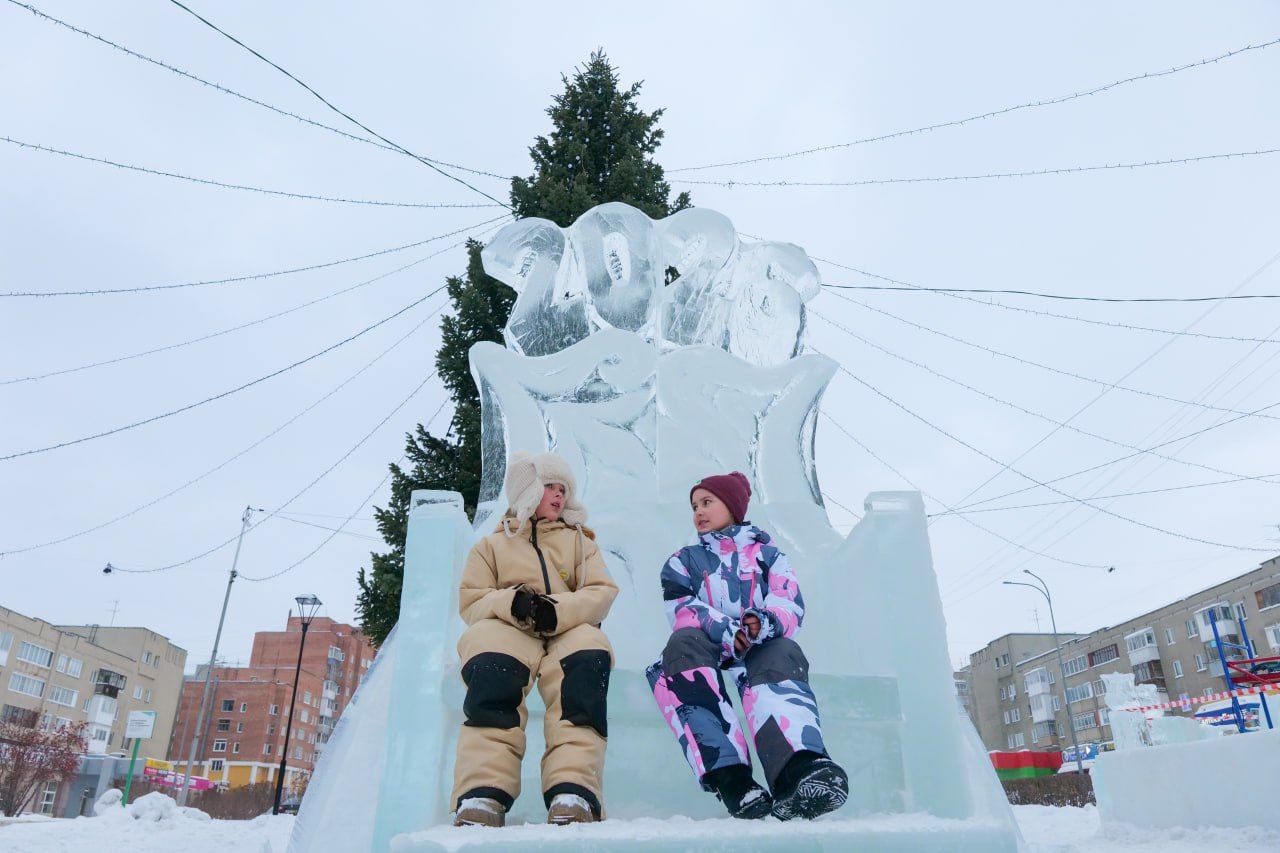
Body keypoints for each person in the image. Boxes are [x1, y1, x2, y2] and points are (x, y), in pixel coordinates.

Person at [646, 471, 848, 820]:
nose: (698, 512)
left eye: (707, 502)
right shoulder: (683, 561)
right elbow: (682, 609)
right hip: (708, 645)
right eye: (694, 505)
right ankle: (733, 779)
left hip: (757, 645)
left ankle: (797, 770)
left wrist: (762, 624)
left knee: (782, 652)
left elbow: (789, 603)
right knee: (681, 644)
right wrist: (729, 632)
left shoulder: (769, 555)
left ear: (733, 507)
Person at [452, 451, 618, 827]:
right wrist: (512, 604)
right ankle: (482, 792)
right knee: (493, 667)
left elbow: (601, 591)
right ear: (527, 490)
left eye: (564, 490)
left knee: (585, 664)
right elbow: (472, 600)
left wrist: (555, 610)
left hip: (567, 628)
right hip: (510, 628)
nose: (559, 496)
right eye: (549, 487)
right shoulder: (491, 547)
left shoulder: (580, 543)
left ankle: (573, 788)